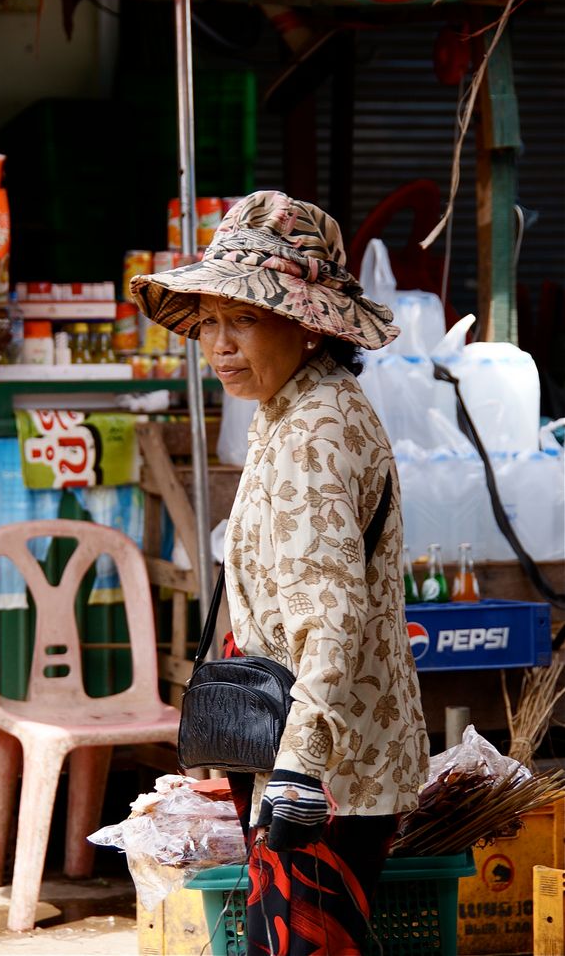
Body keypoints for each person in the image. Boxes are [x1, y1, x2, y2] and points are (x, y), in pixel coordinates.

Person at [131, 190, 430, 955]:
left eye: (244, 319)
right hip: (321, 755)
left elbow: (330, 613)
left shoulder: (317, 427)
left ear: (304, 324)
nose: (219, 344)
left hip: (329, 768)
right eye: (208, 323)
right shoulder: (290, 407)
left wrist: (298, 767)